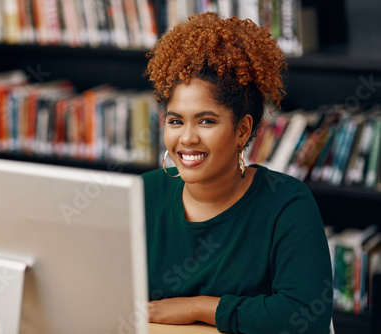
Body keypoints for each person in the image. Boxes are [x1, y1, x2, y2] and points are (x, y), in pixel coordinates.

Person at [141, 12, 333, 334]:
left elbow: (305, 315)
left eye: (206, 121)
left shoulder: (287, 204)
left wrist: (197, 307)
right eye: (176, 121)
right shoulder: (142, 193)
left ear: (242, 130)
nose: (186, 138)